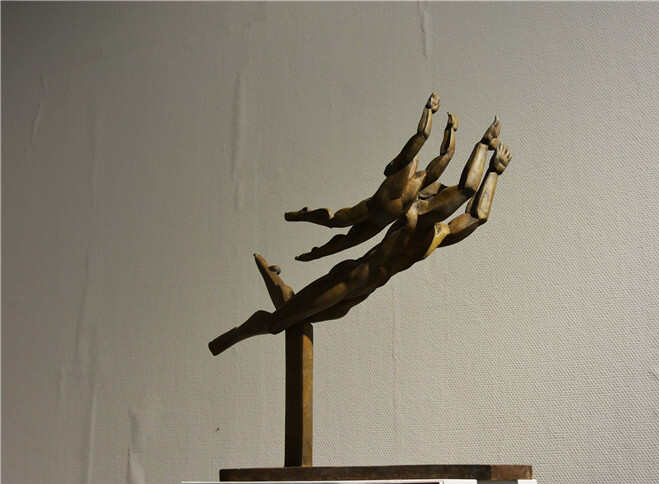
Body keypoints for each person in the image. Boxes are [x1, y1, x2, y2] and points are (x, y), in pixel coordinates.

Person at [209, 140, 512, 356]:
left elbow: (477, 216)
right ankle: (236, 334)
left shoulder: (438, 234)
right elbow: (467, 190)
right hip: (350, 279)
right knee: (280, 322)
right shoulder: (415, 217)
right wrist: (483, 147)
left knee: (299, 316)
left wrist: (494, 172)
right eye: (441, 193)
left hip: (361, 292)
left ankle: (273, 277)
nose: (446, 198)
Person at [284, 93, 501, 262]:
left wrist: (450, 129)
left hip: (381, 218)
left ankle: (314, 249)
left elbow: (446, 154)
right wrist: (430, 112)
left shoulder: (422, 180)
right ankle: (304, 216)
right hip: (376, 208)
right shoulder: (405, 170)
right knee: (337, 223)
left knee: (345, 237)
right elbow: (422, 136)